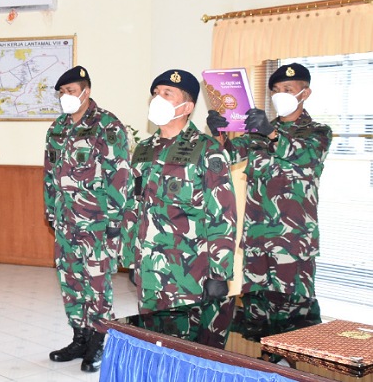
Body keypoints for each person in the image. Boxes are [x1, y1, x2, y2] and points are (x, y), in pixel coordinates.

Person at [206, 63, 332, 345]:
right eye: (275, 90)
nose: (280, 95)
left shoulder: (318, 131)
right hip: (257, 237)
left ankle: (302, 368)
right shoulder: (259, 131)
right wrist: (220, 134)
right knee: (257, 311)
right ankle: (265, 361)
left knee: (296, 312)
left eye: (287, 89)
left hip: (293, 240)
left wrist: (272, 135)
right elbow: (228, 156)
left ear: (305, 92)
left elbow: (306, 157)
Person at [122, 69, 237, 350]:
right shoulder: (145, 149)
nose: (156, 99)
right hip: (149, 270)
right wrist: (132, 258)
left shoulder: (207, 150)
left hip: (188, 274)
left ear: (187, 107)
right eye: (155, 94)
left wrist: (219, 274)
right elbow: (134, 206)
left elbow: (222, 215)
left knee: (187, 351)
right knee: (152, 343)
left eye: (166, 94)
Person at [43, 66, 131, 372]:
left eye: (71, 91)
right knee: (70, 281)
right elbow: (49, 175)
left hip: (97, 223)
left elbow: (120, 175)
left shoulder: (107, 125)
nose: (66, 97)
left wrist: (115, 221)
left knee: (97, 284)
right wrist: (50, 212)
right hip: (66, 221)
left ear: (86, 91)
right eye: (62, 93)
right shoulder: (57, 128)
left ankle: (98, 341)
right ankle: (79, 337)